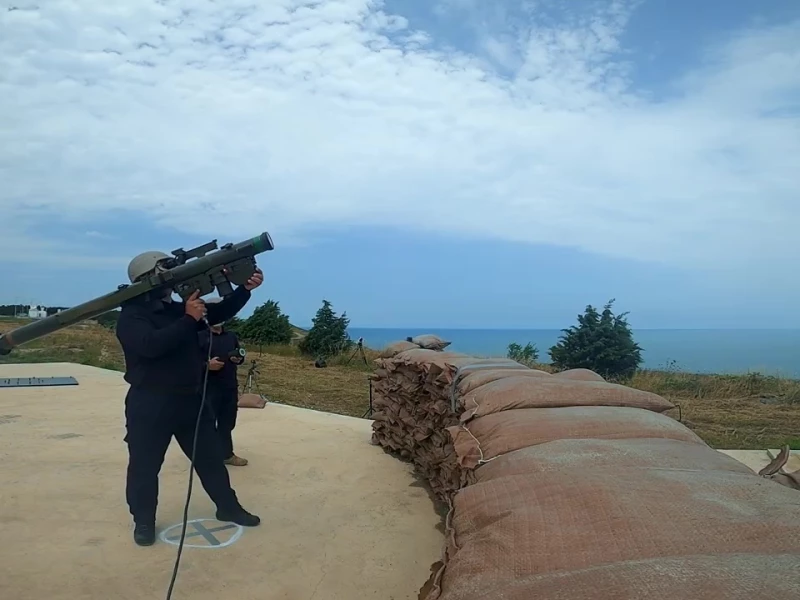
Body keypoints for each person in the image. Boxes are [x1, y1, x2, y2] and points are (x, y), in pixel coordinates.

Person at [115, 250, 264, 546]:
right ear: (147, 278)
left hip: (190, 400)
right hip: (151, 403)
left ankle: (228, 507)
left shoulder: (176, 308)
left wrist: (244, 291)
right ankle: (144, 521)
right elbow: (150, 346)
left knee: (209, 459)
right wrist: (187, 320)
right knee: (144, 466)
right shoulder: (132, 316)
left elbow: (216, 314)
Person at [198, 313, 248, 467]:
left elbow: (239, 354)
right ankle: (205, 457)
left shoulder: (230, 336)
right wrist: (207, 365)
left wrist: (238, 359)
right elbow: (188, 362)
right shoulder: (199, 336)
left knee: (227, 423)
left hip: (229, 386)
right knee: (207, 423)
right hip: (208, 387)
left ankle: (226, 454)